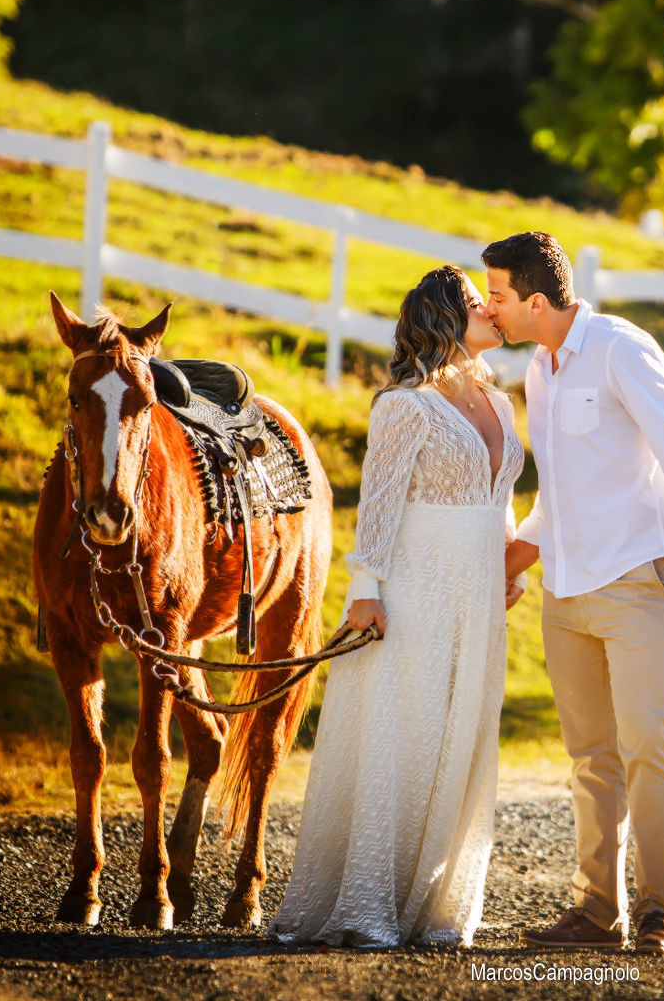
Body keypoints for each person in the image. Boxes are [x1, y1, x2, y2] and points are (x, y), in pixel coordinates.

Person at [485, 232, 664, 957]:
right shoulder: (539, 368)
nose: (490, 309)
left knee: (647, 743)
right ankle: (597, 908)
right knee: (590, 754)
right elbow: (558, 493)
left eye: (497, 296)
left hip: (636, 579)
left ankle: (662, 909)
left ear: (536, 301)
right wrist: (512, 563)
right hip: (565, 588)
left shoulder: (622, 348)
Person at [267, 265, 525, 949]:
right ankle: (368, 907)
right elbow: (378, 505)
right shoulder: (405, 406)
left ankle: (435, 907)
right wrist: (364, 589)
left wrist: (508, 564)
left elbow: (498, 497)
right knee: (402, 736)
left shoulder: (500, 404)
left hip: (477, 596)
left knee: (461, 735)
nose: (492, 311)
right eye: (477, 303)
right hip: (412, 590)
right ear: (445, 317)